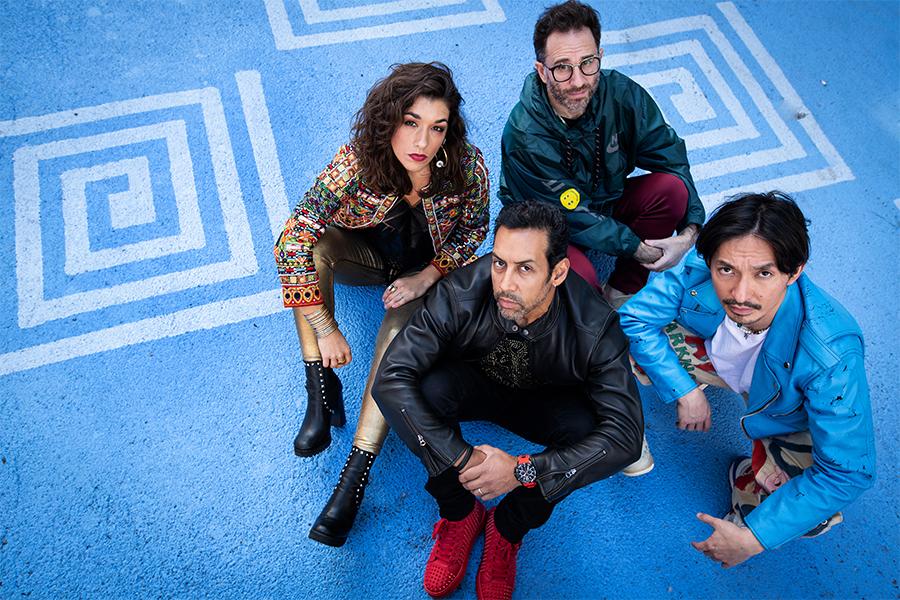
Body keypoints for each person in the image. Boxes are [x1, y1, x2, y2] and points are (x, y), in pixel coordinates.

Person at [373, 201, 642, 600]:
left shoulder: (595, 326)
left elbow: (625, 439)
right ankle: (459, 513)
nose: (505, 283)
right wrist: (465, 461)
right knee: (423, 393)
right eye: (499, 263)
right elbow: (390, 378)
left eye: (525, 268)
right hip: (473, 383)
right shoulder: (462, 291)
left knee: (588, 433)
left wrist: (521, 471)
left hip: (543, 401)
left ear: (559, 272)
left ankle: (508, 527)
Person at [274, 62, 490, 547]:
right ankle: (320, 387)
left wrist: (428, 276)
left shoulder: (466, 165)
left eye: (437, 128)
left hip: (423, 274)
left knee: (395, 336)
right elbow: (294, 233)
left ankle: (354, 479)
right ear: (388, 119)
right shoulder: (357, 162)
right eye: (411, 122)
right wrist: (324, 325)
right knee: (314, 247)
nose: (423, 141)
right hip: (367, 259)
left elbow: (477, 228)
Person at [618, 191, 876, 567]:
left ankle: (754, 485)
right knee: (619, 347)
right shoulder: (698, 265)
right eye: (726, 270)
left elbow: (849, 471)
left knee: (803, 511)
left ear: (795, 270)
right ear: (711, 260)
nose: (740, 294)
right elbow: (637, 320)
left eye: (764, 273)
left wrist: (754, 539)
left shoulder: (832, 358)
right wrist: (685, 390)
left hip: (785, 413)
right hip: (719, 359)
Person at [499, 0, 704, 306]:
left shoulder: (622, 94)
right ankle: (592, 316)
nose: (579, 80)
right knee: (575, 282)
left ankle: (623, 290)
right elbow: (571, 216)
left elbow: (672, 158)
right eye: (562, 68)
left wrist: (690, 232)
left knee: (673, 191)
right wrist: (640, 248)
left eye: (588, 63)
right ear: (542, 71)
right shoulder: (525, 134)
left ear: (600, 57)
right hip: (545, 224)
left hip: (603, 202)